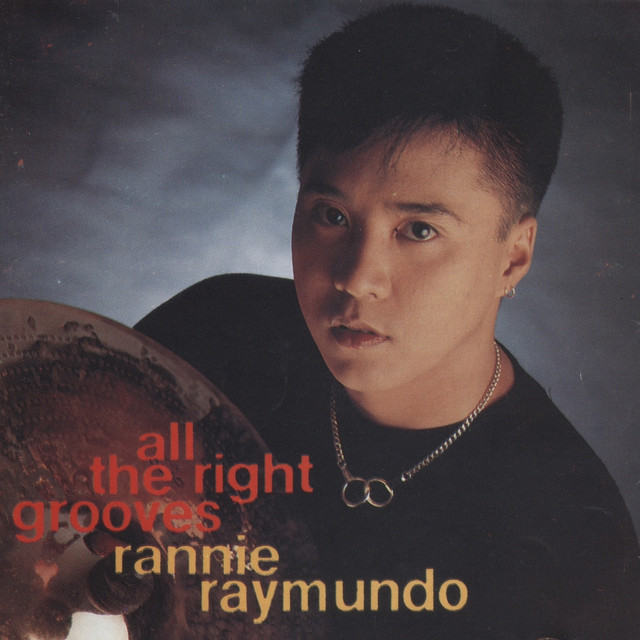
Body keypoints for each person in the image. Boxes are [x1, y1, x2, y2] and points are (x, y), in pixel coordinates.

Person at [135, 4, 640, 637]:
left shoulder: (572, 553)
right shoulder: (212, 333)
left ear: (513, 257)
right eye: (332, 216)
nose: (356, 278)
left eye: (419, 230)